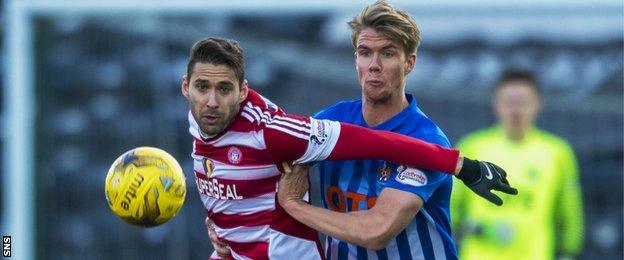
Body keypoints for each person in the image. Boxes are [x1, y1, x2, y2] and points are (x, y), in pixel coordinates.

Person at [183, 36, 515, 259]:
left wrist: (461, 166)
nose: (211, 101)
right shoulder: (203, 122)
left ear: (242, 92)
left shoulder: (275, 133)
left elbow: (376, 226)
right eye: (202, 87)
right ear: (186, 88)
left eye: (223, 89)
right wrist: (223, 225)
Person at [270, 1, 519, 259]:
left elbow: (377, 230)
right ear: (356, 58)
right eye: (365, 52)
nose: (374, 65)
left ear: (409, 63)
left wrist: (294, 205)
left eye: (387, 53)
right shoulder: (330, 121)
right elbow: (267, 177)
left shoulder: (426, 140)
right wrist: (226, 232)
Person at [450, 69, 584, 260]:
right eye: (509, 103)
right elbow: (449, 208)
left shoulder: (558, 152)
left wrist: (569, 253)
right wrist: (476, 228)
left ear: (538, 105)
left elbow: (571, 213)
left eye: (523, 103)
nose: (516, 110)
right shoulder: (471, 147)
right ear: (496, 104)